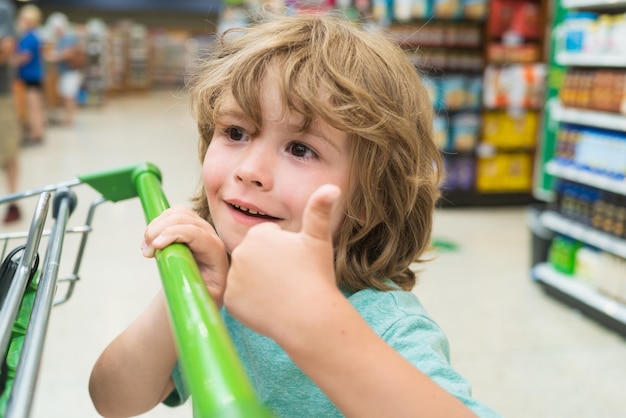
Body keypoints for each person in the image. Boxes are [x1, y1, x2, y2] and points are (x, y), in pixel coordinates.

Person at [88, 12, 501, 418]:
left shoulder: (388, 327)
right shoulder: (226, 274)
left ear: (368, 193)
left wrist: (314, 324)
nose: (249, 170)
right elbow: (113, 400)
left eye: (301, 149)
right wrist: (191, 293)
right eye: (235, 133)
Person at [0, 0, 21, 224]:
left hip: (2, 94)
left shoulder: (3, 8)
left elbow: (6, 49)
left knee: (7, 150)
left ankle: (13, 202)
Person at [15, 4, 46, 145]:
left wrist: (10, 61)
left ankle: (36, 134)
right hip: (34, 75)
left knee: (33, 107)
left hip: (31, 76)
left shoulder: (30, 37)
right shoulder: (34, 36)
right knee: (36, 106)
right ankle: (37, 132)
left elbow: (24, 56)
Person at [46, 12, 82, 125]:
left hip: (71, 72)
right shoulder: (60, 39)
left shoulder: (69, 37)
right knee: (66, 96)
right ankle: (67, 117)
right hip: (63, 73)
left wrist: (55, 56)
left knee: (69, 97)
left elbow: (69, 53)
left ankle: (69, 119)